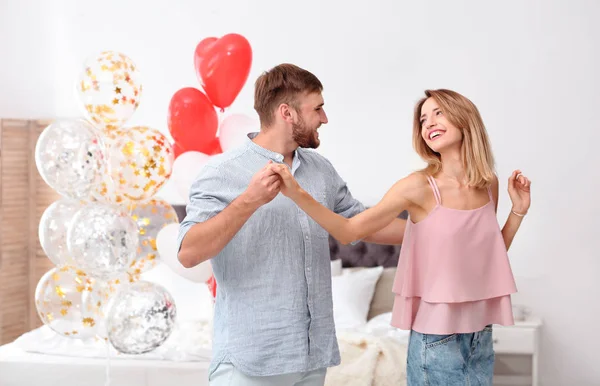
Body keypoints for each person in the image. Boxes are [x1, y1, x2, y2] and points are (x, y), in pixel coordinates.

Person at [269, 89, 531, 385]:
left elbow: (489, 258)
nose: (429, 122)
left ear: (465, 117)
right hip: (437, 341)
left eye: (438, 113)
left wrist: (518, 211)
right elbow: (348, 231)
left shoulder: (488, 183)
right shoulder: (417, 186)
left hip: (480, 336)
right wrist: (296, 193)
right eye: (423, 119)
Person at [176, 63, 407, 386]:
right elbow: (188, 253)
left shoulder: (321, 171)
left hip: (312, 359)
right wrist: (250, 200)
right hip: (250, 362)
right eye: (318, 108)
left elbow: (359, 222)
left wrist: (432, 234)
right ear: (287, 113)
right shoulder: (222, 172)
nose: (324, 118)